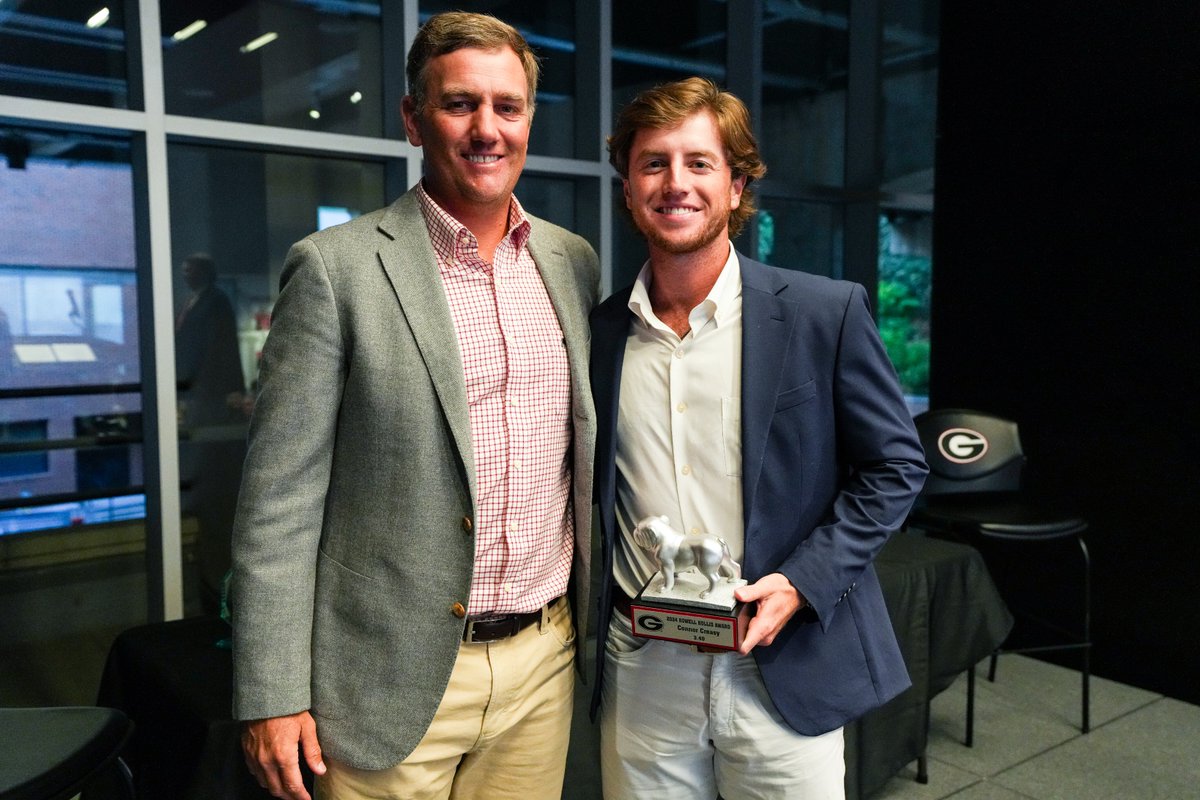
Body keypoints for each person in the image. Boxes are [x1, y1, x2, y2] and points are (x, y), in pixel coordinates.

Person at [230, 12, 600, 800]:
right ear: (412, 119)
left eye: (508, 106)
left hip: (544, 663)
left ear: (530, 118)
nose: (487, 129)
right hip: (384, 677)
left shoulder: (571, 262)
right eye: (459, 104)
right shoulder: (337, 270)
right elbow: (278, 501)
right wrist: (270, 692)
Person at [590, 77, 928, 799]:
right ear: (627, 187)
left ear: (738, 186)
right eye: (653, 164)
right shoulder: (597, 334)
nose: (675, 183)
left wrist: (805, 583)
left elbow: (896, 464)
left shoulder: (821, 313)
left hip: (780, 659)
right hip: (644, 665)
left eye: (699, 163)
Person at [174, 252, 247, 613]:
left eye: (192, 268)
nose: (185, 273)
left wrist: (228, 393)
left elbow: (221, 350)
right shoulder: (195, 301)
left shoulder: (215, 302)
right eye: (184, 269)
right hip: (200, 398)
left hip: (213, 401)